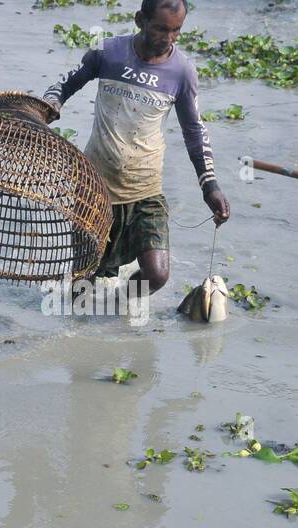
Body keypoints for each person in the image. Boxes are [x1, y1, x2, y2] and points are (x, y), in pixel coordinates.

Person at [43, 0, 229, 313]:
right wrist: (48, 107)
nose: (168, 38)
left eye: (176, 31)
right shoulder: (108, 52)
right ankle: (80, 341)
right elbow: (64, 84)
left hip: (145, 190)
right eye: (160, 28)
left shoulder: (181, 72)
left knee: (157, 274)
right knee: (83, 282)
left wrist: (209, 185)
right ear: (140, 19)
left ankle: (118, 308)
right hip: (94, 189)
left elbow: (195, 132)